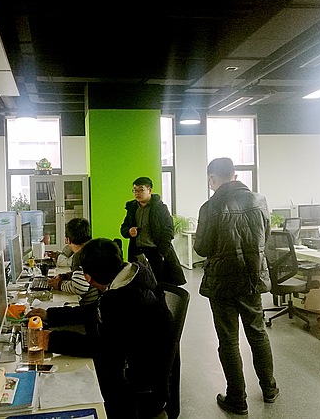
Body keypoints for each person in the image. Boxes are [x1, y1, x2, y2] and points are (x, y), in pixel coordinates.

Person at [29, 238, 173, 419]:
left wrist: (52, 340)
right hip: (137, 367)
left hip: (135, 387)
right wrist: (51, 315)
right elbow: (94, 311)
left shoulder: (124, 301)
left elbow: (103, 348)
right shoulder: (129, 281)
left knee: (51, 392)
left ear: (88, 278)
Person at [194, 157, 279, 416]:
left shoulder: (209, 207)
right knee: (258, 333)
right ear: (234, 175)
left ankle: (237, 398)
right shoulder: (259, 201)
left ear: (212, 179)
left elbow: (202, 248)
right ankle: (269, 388)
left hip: (222, 282)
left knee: (229, 340)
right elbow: (265, 237)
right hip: (252, 279)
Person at [120, 176, 186, 286]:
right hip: (137, 252)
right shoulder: (132, 208)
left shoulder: (160, 208)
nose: (137, 193)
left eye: (141, 190)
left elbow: (168, 230)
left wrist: (162, 252)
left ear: (149, 190)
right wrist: (129, 231)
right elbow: (124, 227)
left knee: (158, 283)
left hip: (155, 252)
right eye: (135, 190)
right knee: (139, 283)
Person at [47, 218, 98, 305]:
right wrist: (64, 276)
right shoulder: (93, 249)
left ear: (68, 240)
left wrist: (59, 285)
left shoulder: (80, 255)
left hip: (91, 305)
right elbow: (81, 275)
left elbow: (80, 287)